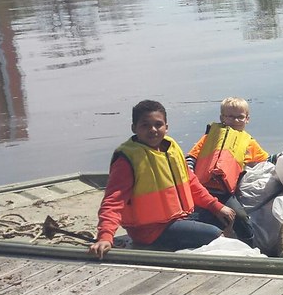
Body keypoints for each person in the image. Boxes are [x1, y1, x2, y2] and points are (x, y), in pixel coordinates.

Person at [89, 100, 236, 259]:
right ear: (134, 128)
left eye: (158, 124)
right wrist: (105, 236)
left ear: (166, 127)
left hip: (181, 216)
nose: (152, 130)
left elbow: (191, 183)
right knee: (214, 234)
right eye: (145, 125)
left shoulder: (171, 148)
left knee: (229, 217)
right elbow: (113, 201)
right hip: (152, 231)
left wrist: (216, 206)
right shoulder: (127, 160)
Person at [185, 97, 283, 247]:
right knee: (195, 216)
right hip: (201, 188)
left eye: (240, 117)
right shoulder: (209, 137)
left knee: (241, 218)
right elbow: (191, 157)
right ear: (222, 118)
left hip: (225, 192)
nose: (235, 120)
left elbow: (267, 159)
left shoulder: (248, 142)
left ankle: (250, 247)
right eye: (230, 116)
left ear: (247, 119)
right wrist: (191, 176)